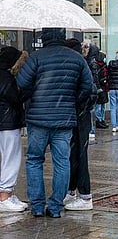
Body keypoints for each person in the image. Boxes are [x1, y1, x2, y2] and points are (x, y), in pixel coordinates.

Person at [16, 28, 93, 218]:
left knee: (34, 160)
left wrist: (32, 99)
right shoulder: (77, 59)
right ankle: (56, 206)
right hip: (64, 119)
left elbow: (22, 84)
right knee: (62, 162)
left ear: (44, 38)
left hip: (38, 119)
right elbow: (88, 87)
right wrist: (73, 102)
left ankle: (37, 206)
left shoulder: (36, 58)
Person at [64, 38, 97, 211]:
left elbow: (90, 91)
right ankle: (71, 190)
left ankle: (84, 195)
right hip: (78, 114)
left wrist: (79, 105)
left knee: (78, 154)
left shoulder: (81, 66)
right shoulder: (81, 64)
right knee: (74, 154)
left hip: (79, 115)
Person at [0, 46, 28, 212]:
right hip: (7, 121)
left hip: (4, 121)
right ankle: (5, 195)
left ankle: (6, 194)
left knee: (6, 156)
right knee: (11, 156)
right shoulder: (6, 77)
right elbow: (13, 98)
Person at [93, 51, 109, 129]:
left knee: (102, 105)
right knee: (98, 105)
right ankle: (98, 120)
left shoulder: (103, 66)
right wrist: (98, 87)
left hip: (104, 87)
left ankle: (101, 119)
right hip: (100, 87)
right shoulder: (96, 65)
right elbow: (96, 77)